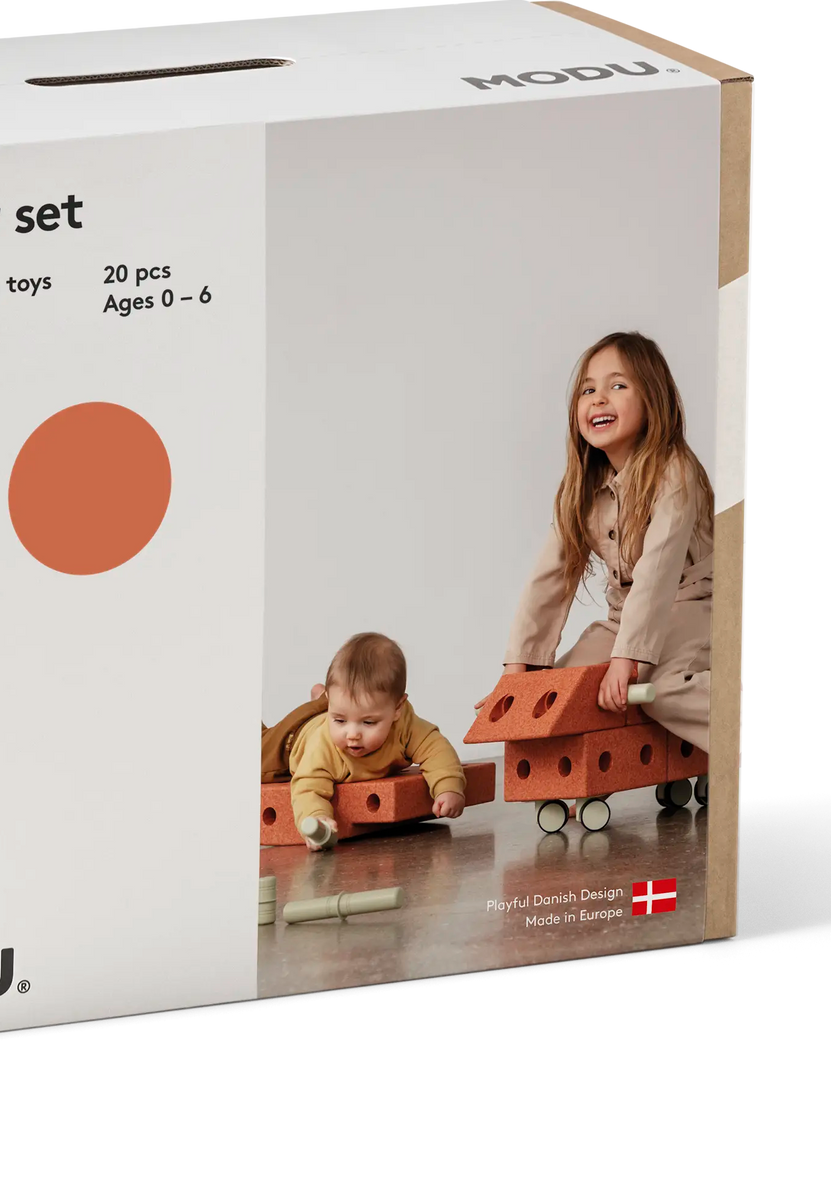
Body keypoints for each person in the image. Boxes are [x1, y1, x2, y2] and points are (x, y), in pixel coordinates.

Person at [503, 330, 714, 757]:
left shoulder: (676, 473)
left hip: (697, 607)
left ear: (652, 400)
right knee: (560, 693)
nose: (598, 399)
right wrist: (518, 668)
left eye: (617, 386)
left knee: (659, 689)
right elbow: (550, 578)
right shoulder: (584, 486)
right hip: (625, 618)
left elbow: (657, 573)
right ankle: (575, 779)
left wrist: (628, 658)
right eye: (588, 390)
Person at [279, 631, 466, 850]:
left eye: (368, 722)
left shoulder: (405, 725)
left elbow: (436, 749)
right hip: (294, 737)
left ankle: (321, 701)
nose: (352, 734)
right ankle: (318, 702)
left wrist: (448, 787)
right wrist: (316, 817)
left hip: (329, 710)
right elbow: (307, 787)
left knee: (342, 709)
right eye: (340, 720)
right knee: (263, 754)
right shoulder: (322, 748)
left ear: (397, 708)